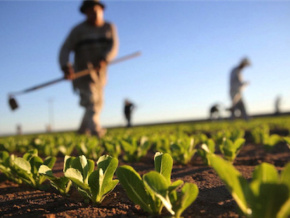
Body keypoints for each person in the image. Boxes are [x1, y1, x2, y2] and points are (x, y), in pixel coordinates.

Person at [59, 0, 119, 137]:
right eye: (90, 11)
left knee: (98, 103)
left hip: (100, 74)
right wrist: (65, 66)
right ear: (85, 13)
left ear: (101, 10)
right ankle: (95, 130)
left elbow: (113, 47)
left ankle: (82, 130)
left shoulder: (109, 27)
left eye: (96, 10)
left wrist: (105, 58)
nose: (93, 13)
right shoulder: (78, 30)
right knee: (91, 101)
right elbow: (65, 49)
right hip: (82, 73)